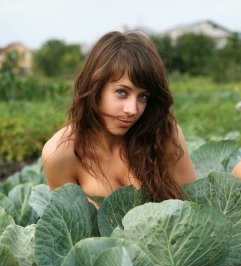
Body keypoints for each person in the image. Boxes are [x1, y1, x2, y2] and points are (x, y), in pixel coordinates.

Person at [42, 31, 196, 208]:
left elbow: (193, 210)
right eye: (122, 92)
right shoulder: (59, 153)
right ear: (95, 87)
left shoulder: (166, 135)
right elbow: (71, 228)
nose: (132, 110)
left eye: (143, 96)